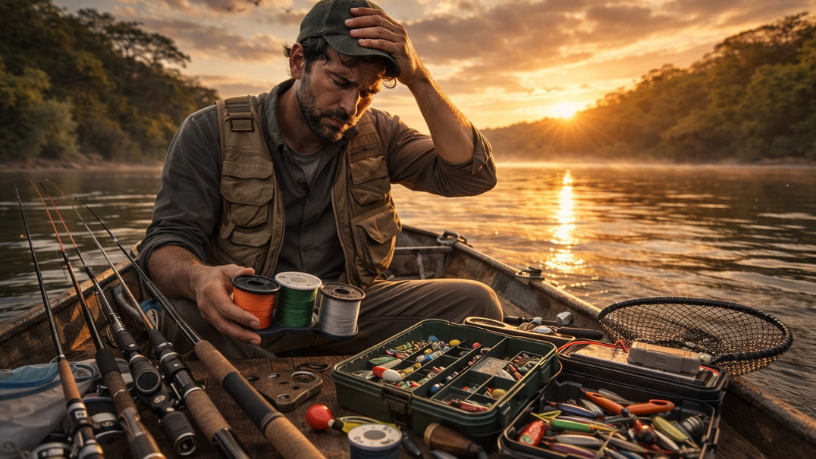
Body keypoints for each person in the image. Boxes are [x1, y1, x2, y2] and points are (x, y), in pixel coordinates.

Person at [140, 0, 502, 358]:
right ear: (299, 61)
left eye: (367, 93)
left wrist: (419, 77)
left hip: (350, 315)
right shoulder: (209, 131)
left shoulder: (381, 134)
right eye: (340, 82)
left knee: (476, 304)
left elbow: (472, 176)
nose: (350, 106)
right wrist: (199, 278)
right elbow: (167, 244)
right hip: (250, 315)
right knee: (169, 322)